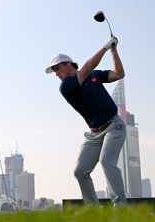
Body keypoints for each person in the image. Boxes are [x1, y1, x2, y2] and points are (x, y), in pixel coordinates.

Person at [46, 36, 127, 208]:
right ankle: (93, 211)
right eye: (55, 72)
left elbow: (119, 74)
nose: (57, 74)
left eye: (58, 69)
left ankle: (120, 208)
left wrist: (113, 50)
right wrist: (106, 46)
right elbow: (88, 66)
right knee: (80, 171)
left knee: (107, 161)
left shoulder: (94, 76)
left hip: (114, 127)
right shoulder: (66, 86)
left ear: (68, 64)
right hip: (94, 134)